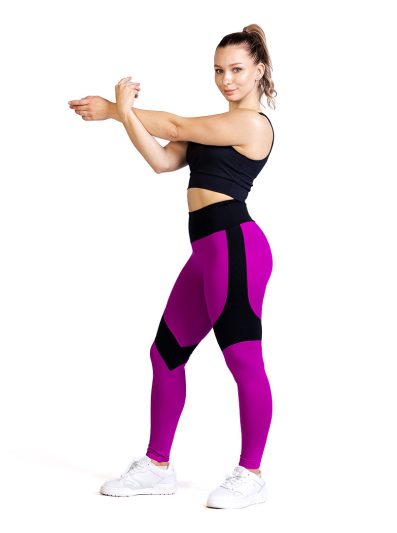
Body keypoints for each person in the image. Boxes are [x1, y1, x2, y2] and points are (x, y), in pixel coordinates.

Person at [68, 23, 277, 510]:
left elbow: (177, 127)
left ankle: (252, 474)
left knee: (243, 359)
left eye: (236, 70)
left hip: (236, 248)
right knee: (165, 354)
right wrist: (124, 118)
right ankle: (157, 466)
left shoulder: (253, 125)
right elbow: (162, 160)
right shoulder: (213, 125)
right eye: (219, 71)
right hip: (205, 253)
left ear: (259, 71)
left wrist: (116, 109)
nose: (226, 79)